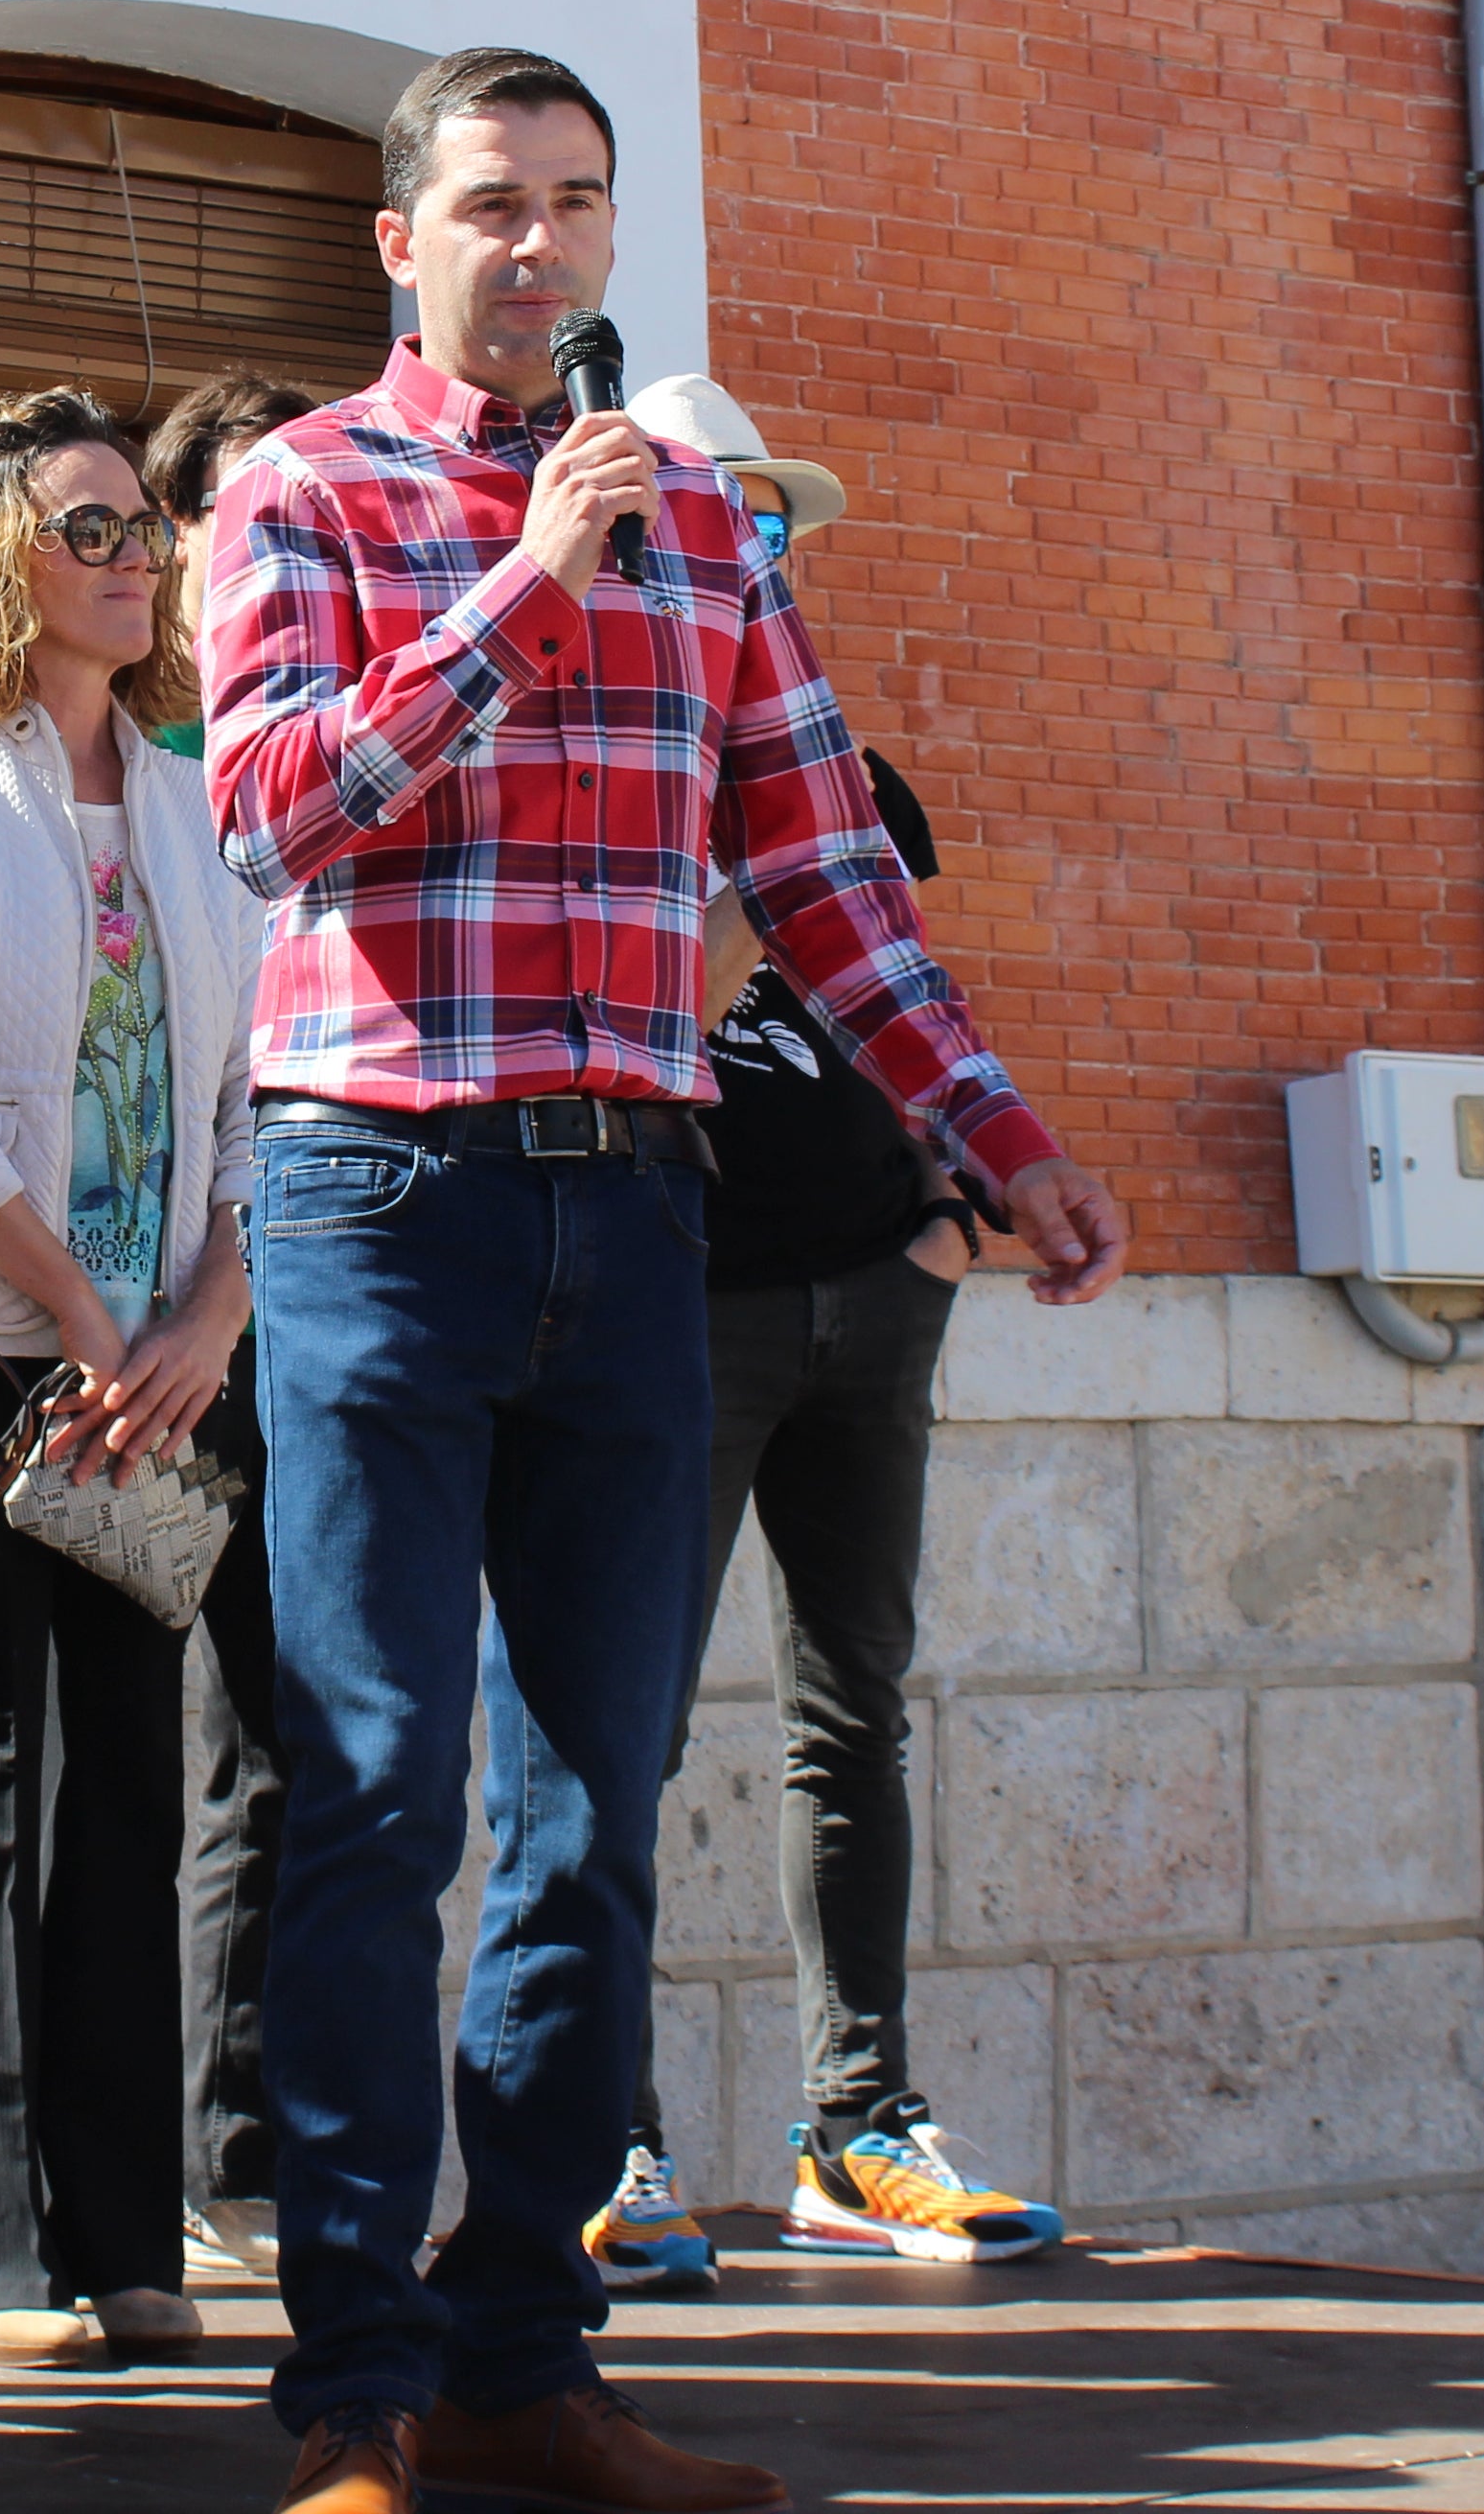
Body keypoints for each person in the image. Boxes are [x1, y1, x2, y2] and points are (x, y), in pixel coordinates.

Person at [202, 50, 1133, 2514]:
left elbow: (831, 884)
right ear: (398, 238)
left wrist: (1001, 1137)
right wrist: (527, 586)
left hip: (640, 1213)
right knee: (382, 1790)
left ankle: (524, 2368)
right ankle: (355, 2400)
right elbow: (280, 816)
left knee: (595, 1812)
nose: (540, 248)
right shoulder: (298, 491)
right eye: (493, 206)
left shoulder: (713, 538)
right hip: (380, 1198)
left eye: (579, 207)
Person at [575, 374, 1063, 2296]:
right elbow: (671, 982)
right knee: (604, 1729)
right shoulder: (591, 759)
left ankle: (859, 2132)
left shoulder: (845, 770)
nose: (753, 551)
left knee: (853, 1714)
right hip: (674, 1304)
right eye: (719, 516)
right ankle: (594, 2144)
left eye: (774, 524)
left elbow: (904, 999)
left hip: (878, 1290)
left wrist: (950, 1210)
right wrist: (760, 867)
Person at [0, 388, 262, 2373]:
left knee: (133, 1805)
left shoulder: (197, 799)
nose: (132, 558)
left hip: (163, 1370)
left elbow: (265, 1092)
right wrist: (80, 1321)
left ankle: (128, 2235)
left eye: (139, 533)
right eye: (89, 528)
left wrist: (203, 1327)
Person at [130, 366, 321, 2282]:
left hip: (306, 1310)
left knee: (289, 1744)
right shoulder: (125, 779)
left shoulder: (335, 752)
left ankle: (247, 2158)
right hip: (117, 1331)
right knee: (121, 1759)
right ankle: (126, 2173)